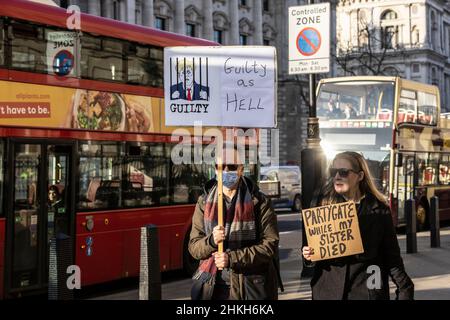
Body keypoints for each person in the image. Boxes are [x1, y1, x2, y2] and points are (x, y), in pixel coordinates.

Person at [301, 151, 414, 300]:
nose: (337, 177)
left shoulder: (379, 210)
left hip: (366, 291)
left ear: (360, 176)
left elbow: (392, 257)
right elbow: (313, 252)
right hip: (328, 292)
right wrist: (309, 255)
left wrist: (405, 289)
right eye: (333, 172)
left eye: (344, 172)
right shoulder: (321, 205)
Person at [188, 145, 280, 300]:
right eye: (220, 167)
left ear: (240, 169)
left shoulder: (260, 201)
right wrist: (212, 240)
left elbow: (269, 245)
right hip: (213, 287)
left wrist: (232, 258)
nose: (225, 171)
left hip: (249, 287)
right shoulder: (204, 202)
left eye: (231, 166)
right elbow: (194, 247)